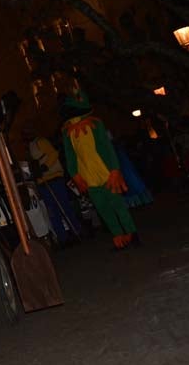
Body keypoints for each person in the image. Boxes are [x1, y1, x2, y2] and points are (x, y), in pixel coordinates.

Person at [59, 89, 138, 250]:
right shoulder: (68, 133)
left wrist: (114, 169)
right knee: (103, 209)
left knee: (118, 205)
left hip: (107, 174)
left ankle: (131, 234)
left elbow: (107, 148)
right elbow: (70, 157)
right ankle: (118, 236)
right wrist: (76, 176)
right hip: (89, 179)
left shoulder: (95, 124)